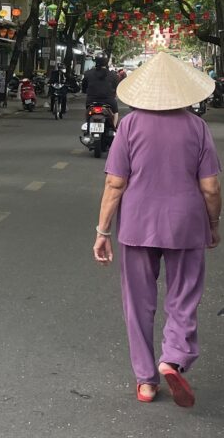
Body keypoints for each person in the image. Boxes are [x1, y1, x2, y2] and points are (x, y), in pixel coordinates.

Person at [92, 52, 221, 408]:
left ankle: (146, 381)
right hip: (186, 224)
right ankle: (174, 357)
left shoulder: (131, 125)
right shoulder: (197, 128)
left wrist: (103, 230)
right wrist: (213, 225)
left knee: (138, 303)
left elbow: (115, 183)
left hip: (137, 225)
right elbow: (211, 187)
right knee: (184, 297)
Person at [82, 54, 119, 126]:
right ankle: (114, 129)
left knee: (88, 111)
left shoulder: (88, 73)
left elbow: (84, 87)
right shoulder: (113, 75)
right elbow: (116, 88)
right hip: (109, 101)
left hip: (91, 100)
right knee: (115, 112)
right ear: (107, 62)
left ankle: (87, 126)